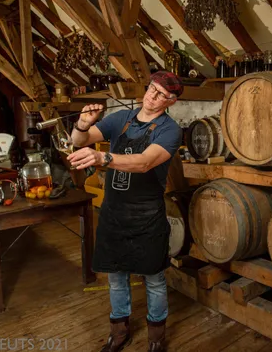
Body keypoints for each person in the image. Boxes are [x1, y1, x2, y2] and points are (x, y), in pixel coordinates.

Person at [68, 71, 184, 352]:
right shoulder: (121, 119)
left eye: (161, 95)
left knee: (154, 279)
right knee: (116, 276)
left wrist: (102, 157)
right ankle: (118, 333)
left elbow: (144, 162)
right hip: (114, 211)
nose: (152, 97)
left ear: (171, 102)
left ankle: (156, 338)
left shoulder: (170, 130)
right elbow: (79, 140)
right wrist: (82, 125)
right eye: (151, 89)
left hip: (147, 214)